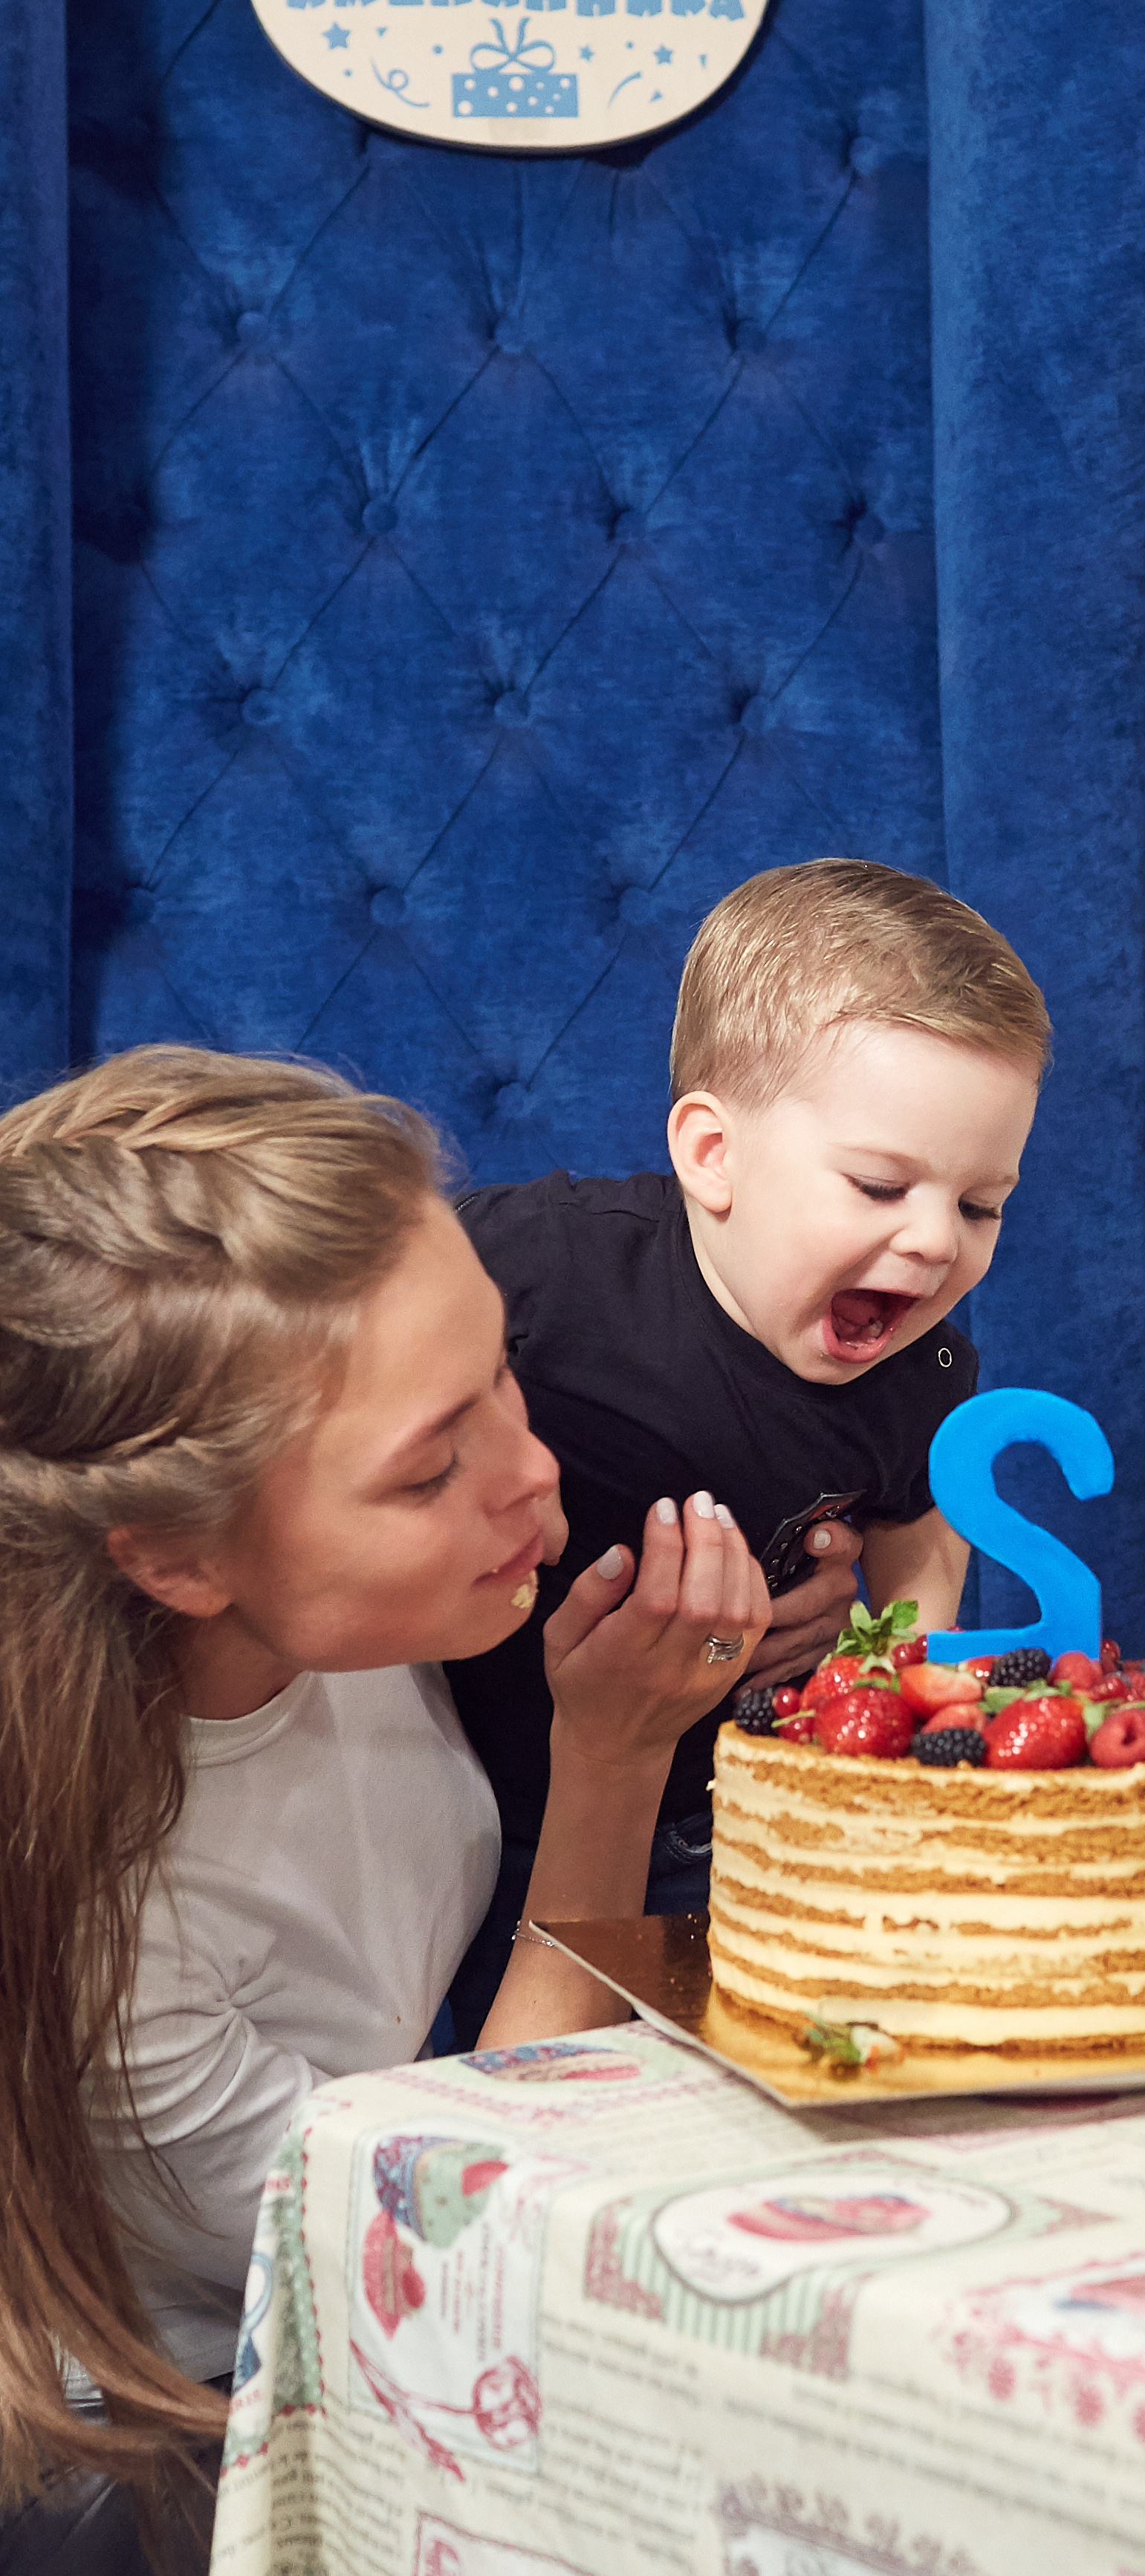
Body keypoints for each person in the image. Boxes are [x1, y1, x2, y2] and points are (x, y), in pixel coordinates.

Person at [0, 1047, 762, 2564]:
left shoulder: (367, 1601)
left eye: (501, 1369)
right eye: (427, 1474)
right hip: (190, 2445)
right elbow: (452, 2228)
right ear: (176, 1558)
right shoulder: (111, 1943)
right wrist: (615, 1762)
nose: (533, 1472)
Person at [444, 859, 1049, 2033]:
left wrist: (889, 1671)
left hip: (731, 1819)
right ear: (713, 1154)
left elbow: (919, 1529)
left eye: (981, 1205)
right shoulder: (542, 1270)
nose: (938, 1242)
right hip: (488, 1806)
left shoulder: (923, 1372)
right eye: (881, 1184)